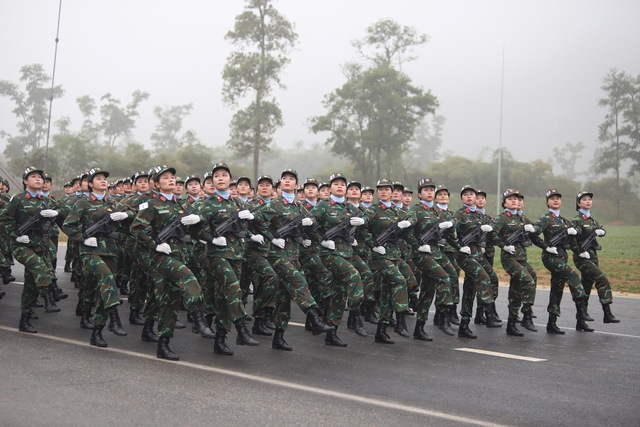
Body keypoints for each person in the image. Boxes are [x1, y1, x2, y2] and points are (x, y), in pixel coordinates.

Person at [130, 164, 207, 360]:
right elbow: (137, 229)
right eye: (164, 178)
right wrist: (154, 244)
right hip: (161, 258)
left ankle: (163, 343)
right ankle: (198, 317)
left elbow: (193, 233)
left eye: (172, 176)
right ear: (156, 184)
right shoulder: (151, 205)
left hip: (178, 255)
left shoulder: (180, 206)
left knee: (168, 300)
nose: (171, 179)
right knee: (189, 279)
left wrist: (198, 222)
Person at [259, 169, 333, 351]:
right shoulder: (274, 204)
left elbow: (313, 229)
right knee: (299, 280)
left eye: (291, 179)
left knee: (284, 297)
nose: (287, 181)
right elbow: (256, 221)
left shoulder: (301, 208)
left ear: (296, 184)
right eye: (284, 178)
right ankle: (314, 316)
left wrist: (310, 227)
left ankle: (279, 335)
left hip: (294, 255)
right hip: (277, 256)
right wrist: (271, 237)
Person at [195, 163, 259, 356]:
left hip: (236, 254)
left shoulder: (238, 204)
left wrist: (249, 220)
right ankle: (241, 328)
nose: (220, 178)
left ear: (231, 180)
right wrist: (211, 238)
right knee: (233, 289)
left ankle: (221, 339)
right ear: (212, 181)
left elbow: (245, 230)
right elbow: (195, 229)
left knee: (225, 298)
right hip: (216, 256)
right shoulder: (206, 204)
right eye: (216, 175)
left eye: (224, 175)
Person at [63, 167, 131, 347]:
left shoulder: (114, 203)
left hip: (110, 251)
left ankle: (97, 331)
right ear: (90, 184)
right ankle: (114, 317)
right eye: (98, 178)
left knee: (104, 291)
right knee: (107, 279)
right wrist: (83, 238)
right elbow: (69, 226)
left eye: (104, 178)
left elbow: (134, 215)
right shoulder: (82, 204)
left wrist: (125, 215)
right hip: (90, 252)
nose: (103, 181)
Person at [0, 166, 60, 333]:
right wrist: (15, 235)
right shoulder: (17, 200)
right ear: (25, 181)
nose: (38, 179)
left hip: (40, 245)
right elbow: (4, 219)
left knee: (31, 284)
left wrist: (53, 215)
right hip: (22, 245)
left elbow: (61, 213)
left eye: (40, 177)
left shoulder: (46, 201)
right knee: (41, 269)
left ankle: (24, 319)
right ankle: (49, 299)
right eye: (33, 176)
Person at [311, 173, 366, 346]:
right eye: (336, 184)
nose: (340, 186)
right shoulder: (324, 205)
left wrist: (363, 221)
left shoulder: (351, 208)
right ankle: (356, 313)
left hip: (346, 253)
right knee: (354, 276)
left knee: (339, 294)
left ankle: (331, 332)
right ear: (330, 187)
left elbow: (370, 220)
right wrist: (322, 240)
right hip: (330, 254)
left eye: (343, 184)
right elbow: (310, 223)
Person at [364, 178, 416, 344]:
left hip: (395, 255)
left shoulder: (398, 211)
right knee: (399, 280)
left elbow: (412, 218)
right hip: (380, 255)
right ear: (378, 192)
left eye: (387, 189)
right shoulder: (373, 210)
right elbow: (362, 228)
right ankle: (400, 320)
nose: (384, 191)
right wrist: (372, 245)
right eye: (381, 189)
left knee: (389, 291)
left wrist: (411, 226)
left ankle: (381, 330)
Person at [532, 189, 589, 334]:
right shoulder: (545, 219)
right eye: (552, 198)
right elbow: (534, 231)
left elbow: (578, 230)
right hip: (550, 257)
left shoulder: (564, 221)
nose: (556, 200)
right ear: (547, 202)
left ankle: (552, 322)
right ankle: (582, 309)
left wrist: (575, 232)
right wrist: (546, 247)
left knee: (557, 288)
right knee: (573, 275)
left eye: (558, 198)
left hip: (562, 256)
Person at [407, 178, 455, 339]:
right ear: (419, 194)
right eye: (425, 190)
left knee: (428, 291)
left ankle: (419, 328)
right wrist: (417, 245)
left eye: (431, 190)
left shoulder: (437, 211)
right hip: (421, 254)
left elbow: (448, 230)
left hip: (436, 252)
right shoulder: (415, 210)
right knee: (444, 278)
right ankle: (443, 316)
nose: (429, 192)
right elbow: (408, 229)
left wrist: (459, 244)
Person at [453, 185, 500, 339]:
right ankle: (488, 310)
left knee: (472, 288)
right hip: (465, 256)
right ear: (462, 198)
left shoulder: (480, 216)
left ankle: (464, 325)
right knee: (484, 277)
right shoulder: (459, 215)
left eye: (471, 194)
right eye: (465, 194)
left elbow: (489, 234)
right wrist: (459, 247)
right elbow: (450, 233)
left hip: (478, 256)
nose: (469, 197)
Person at [491, 189, 538, 336]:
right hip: (509, 258)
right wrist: (503, 245)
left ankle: (511, 323)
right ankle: (527, 313)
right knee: (527, 280)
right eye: (510, 199)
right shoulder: (502, 218)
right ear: (504, 202)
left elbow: (535, 229)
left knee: (520, 286)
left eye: (517, 199)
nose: (514, 201)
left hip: (522, 258)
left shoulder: (522, 218)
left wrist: (534, 229)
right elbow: (492, 233)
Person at [570, 191, 619, 324]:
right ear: (579, 203)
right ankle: (607, 313)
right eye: (584, 199)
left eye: (589, 199)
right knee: (602, 279)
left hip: (593, 257)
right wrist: (579, 251)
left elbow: (600, 230)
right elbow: (571, 238)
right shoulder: (576, 220)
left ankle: (581, 321)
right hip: (582, 258)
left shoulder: (592, 220)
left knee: (586, 286)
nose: (588, 201)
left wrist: (602, 232)